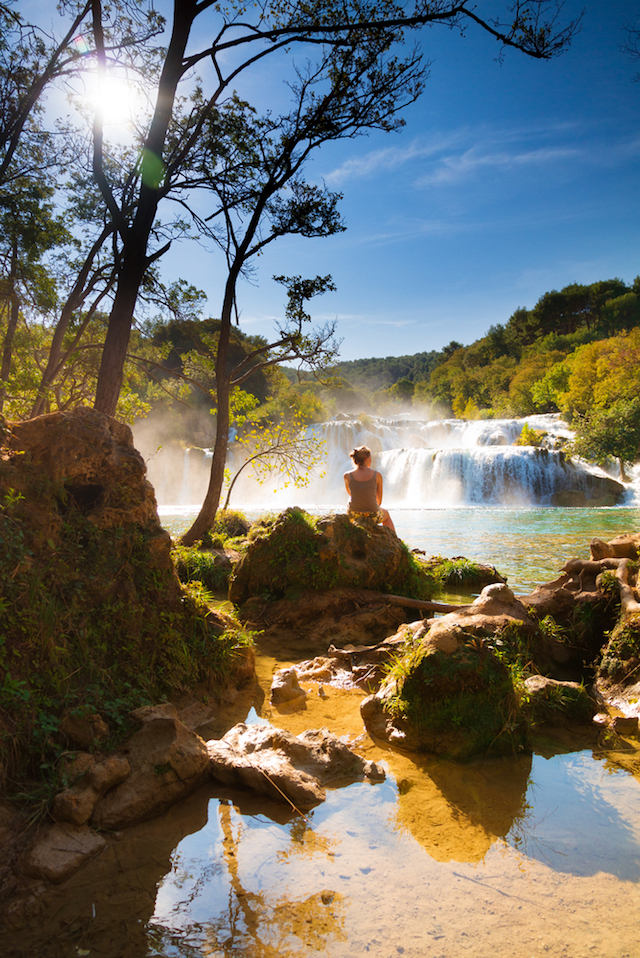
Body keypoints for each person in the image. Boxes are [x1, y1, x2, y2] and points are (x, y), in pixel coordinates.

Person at [344, 445, 396, 533]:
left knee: (348, 502)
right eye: (370, 458)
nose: (371, 460)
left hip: (354, 514)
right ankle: (394, 540)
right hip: (373, 514)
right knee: (386, 514)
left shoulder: (347, 476)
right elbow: (379, 502)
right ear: (366, 458)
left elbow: (351, 494)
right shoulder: (377, 475)